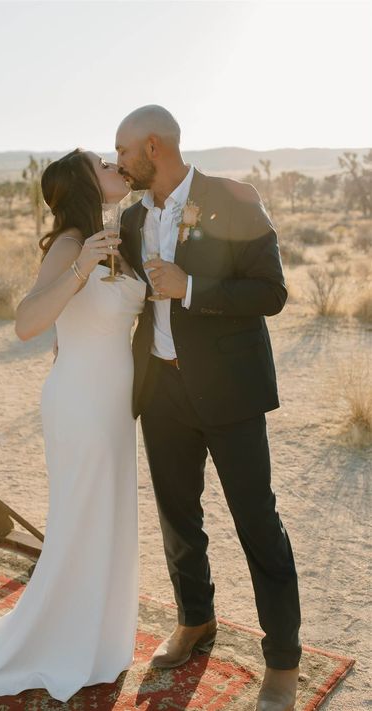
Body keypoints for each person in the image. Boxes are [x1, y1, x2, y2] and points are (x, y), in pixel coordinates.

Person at [0, 149, 146, 702]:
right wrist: (82, 267)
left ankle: (99, 636)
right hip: (81, 404)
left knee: (105, 516)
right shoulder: (69, 244)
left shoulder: (117, 235)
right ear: (86, 183)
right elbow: (26, 323)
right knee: (82, 517)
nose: (115, 164)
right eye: (102, 162)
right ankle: (60, 639)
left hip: (110, 403)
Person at [115, 105, 301, 711]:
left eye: (122, 151)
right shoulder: (132, 218)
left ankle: (282, 660)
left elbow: (271, 292)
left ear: (152, 147)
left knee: (257, 523)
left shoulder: (235, 199)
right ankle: (196, 621)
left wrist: (189, 289)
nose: (118, 161)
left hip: (231, 392)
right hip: (162, 391)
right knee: (177, 518)